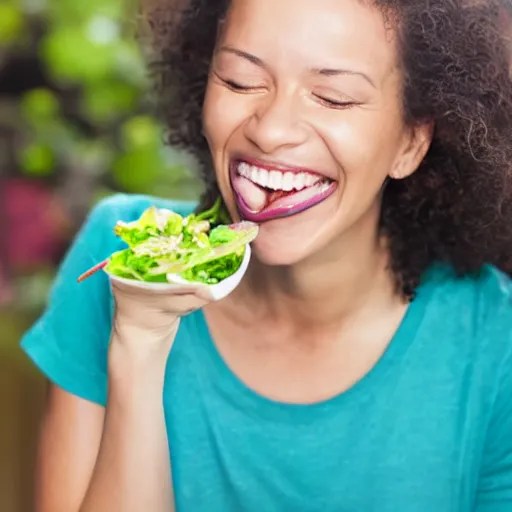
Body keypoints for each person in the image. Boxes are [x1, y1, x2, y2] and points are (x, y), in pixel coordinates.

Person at [21, 0, 512, 511]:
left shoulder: (496, 343)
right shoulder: (121, 256)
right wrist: (138, 343)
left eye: (333, 98)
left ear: (410, 142)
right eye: (239, 81)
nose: (271, 130)